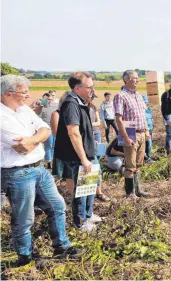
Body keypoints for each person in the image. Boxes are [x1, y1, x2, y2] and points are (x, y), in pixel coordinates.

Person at [0, 75, 84, 266]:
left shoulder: (24, 111)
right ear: (8, 94)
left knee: (57, 205)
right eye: (24, 92)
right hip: (17, 174)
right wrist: (36, 138)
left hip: (39, 169)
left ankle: (61, 246)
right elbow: (21, 145)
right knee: (24, 218)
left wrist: (33, 139)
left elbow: (44, 129)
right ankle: (25, 257)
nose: (28, 95)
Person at [54, 72, 103, 232]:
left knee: (90, 186)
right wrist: (83, 158)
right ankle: (80, 222)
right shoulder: (71, 104)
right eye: (89, 87)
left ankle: (88, 214)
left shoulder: (81, 102)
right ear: (77, 88)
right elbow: (73, 132)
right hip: (77, 156)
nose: (92, 90)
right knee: (81, 190)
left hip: (88, 153)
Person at [114, 70, 151, 198]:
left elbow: (143, 115)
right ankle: (130, 193)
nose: (137, 80)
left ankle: (138, 190)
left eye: (137, 78)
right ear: (127, 79)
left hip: (141, 133)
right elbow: (119, 119)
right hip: (130, 134)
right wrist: (125, 137)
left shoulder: (138, 95)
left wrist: (146, 132)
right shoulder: (121, 96)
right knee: (130, 165)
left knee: (139, 164)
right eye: (135, 78)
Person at [87, 93, 109, 202]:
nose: (92, 99)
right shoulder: (80, 109)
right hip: (88, 138)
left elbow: (98, 122)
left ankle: (96, 192)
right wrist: (91, 124)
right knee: (94, 166)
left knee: (97, 159)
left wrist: (90, 123)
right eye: (91, 97)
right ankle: (96, 193)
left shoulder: (94, 107)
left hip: (96, 134)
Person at [33, 93, 58, 169]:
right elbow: (37, 118)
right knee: (49, 145)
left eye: (50, 99)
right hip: (47, 130)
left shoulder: (55, 107)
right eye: (47, 99)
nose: (49, 101)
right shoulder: (41, 108)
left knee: (54, 145)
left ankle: (52, 160)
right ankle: (48, 161)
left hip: (54, 128)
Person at [140, 94, 155, 164]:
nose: (145, 103)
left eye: (146, 102)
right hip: (145, 129)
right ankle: (146, 158)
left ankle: (146, 157)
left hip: (150, 128)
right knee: (148, 143)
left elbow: (150, 117)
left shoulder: (148, 109)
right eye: (144, 102)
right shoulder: (140, 110)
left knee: (148, 144)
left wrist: (152, 122)